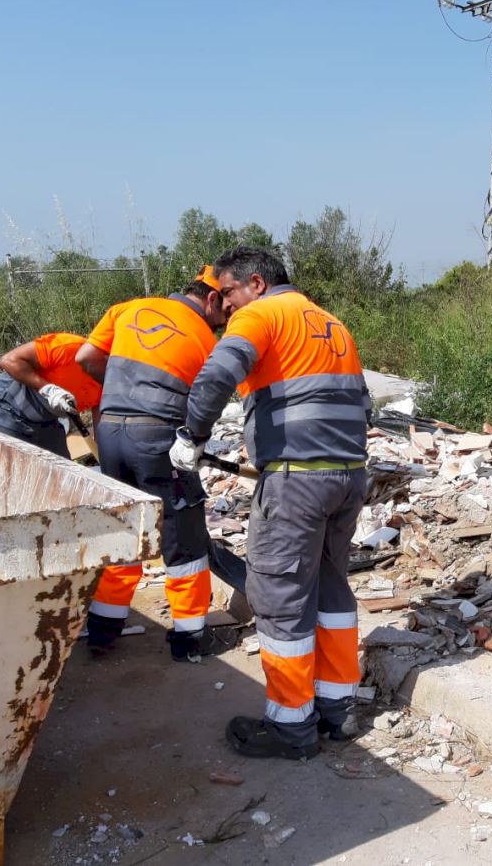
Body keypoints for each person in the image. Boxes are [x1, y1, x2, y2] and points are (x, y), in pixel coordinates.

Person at [169, 245, 371, 760]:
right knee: (330, 588)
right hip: (348, 477)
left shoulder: (261, 315)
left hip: (297, 482)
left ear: (256, 283)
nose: (225, 305)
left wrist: (192, 436)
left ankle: (290, 727)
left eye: (228, 293)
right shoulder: (330, 323)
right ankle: (338, 709)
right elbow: (360, 404)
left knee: (280, 598)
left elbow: (217, 375)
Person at [75, 267, 227, 662]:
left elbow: (85, 357)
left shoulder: (128, 308)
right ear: (211, 299)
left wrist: (123, 392)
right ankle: (189, 638)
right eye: (225, 311)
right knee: (183, 535)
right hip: (157, 435)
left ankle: (102, 630)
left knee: (125, 527)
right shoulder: (205, 338)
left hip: (110, 430)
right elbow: (209, 398)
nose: (225, 320)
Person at [0, 332, 101, 456]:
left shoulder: (108, 383)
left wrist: (104, 454)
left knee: (61, 465)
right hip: (7, 410)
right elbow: (8, 360)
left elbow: (101, 427)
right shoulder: (69, 347)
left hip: (46, 421)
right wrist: (48, 389)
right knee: (12, 461)